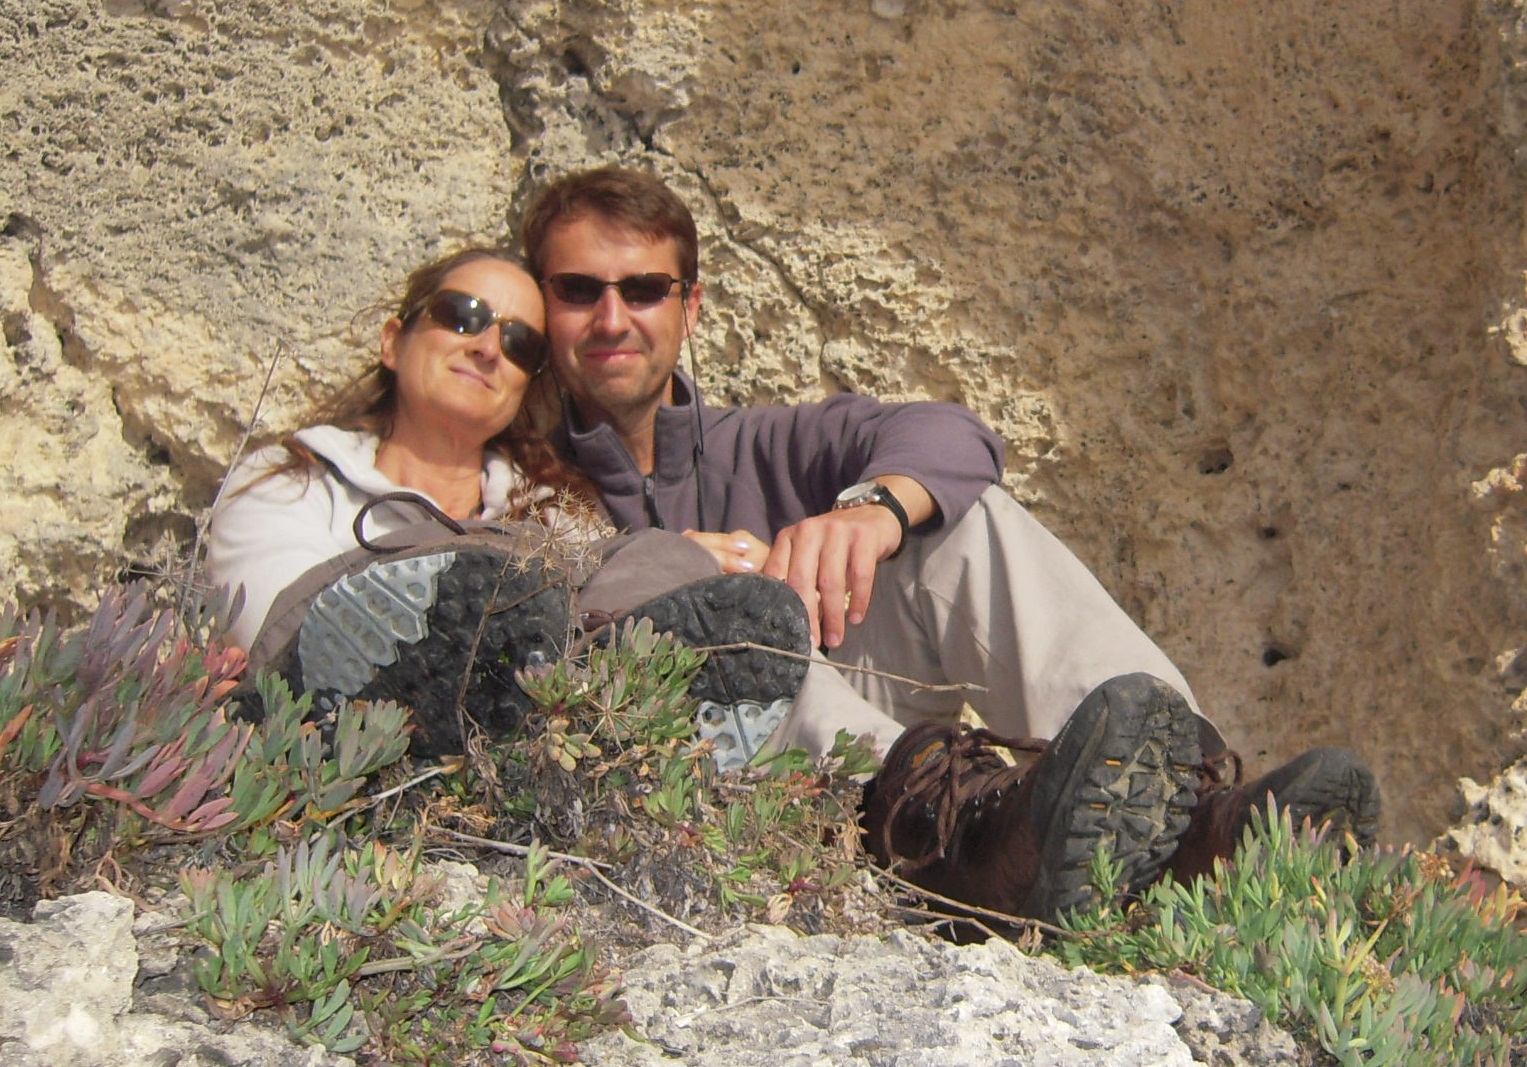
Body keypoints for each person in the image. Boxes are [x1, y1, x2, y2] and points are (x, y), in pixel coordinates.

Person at [518, 165, 1382, 923]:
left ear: (690, 306)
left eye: (643, 289)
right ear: (542, 304)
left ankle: (1183, 813)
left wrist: (870, 512)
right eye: (579, 290)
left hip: (852, 737)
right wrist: (686, 565)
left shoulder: (763, 443)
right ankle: (956, 831)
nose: (612, 318)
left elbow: (953, 433)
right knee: (735, 622)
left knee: (959, 522)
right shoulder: (514, 477)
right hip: (723, 784)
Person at [205, 247, 814, 761]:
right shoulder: (292, 479)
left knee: (665, 564)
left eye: (520, 344)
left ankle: (852, 769)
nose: (489, 348)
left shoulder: (556, 510)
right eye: (462, 315)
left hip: (535, 751)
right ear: (393, 341)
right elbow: (279, 635)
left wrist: (685, 566)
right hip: (332, 746)